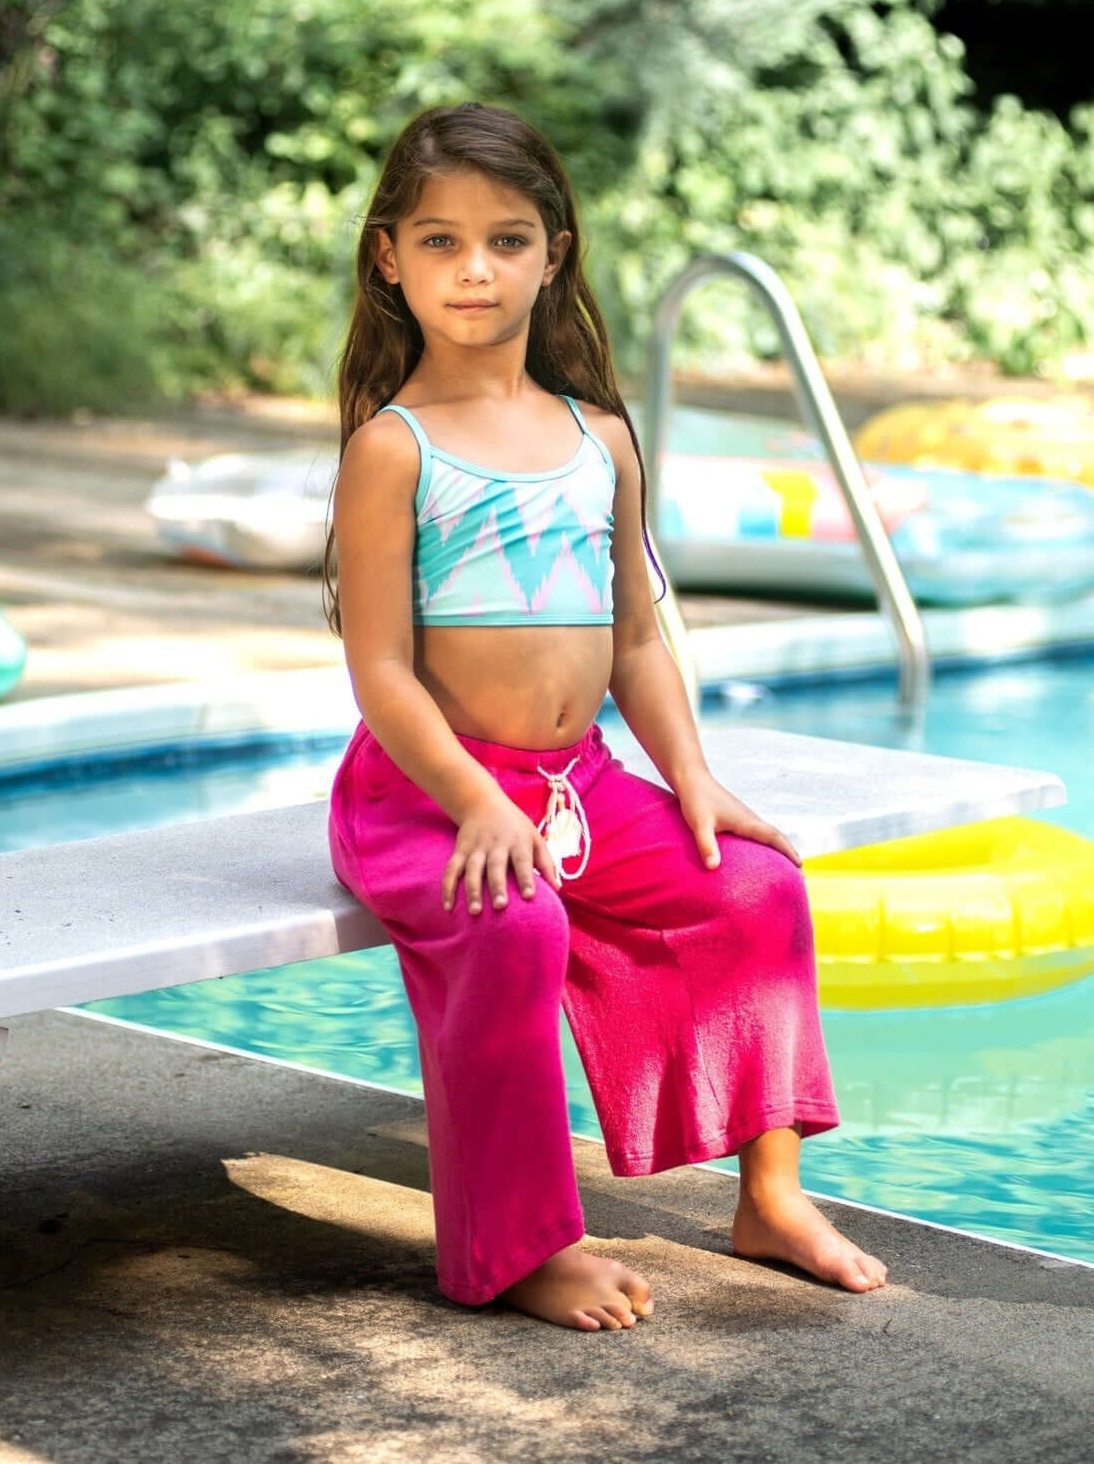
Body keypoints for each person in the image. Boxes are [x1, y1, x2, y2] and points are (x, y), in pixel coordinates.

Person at [325, 102, 887, 1332]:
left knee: (755, 890)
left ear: (555, 254)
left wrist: (693, 778)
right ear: (390, 259)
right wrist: (477, 801)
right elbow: (382, 674)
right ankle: (523, 1246)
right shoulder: (395, 450)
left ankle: (771, 1198)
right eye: (440, 241)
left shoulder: (600, 438)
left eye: (507, 240)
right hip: (426, 795)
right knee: (512, 924)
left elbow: (636, 636)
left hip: (576, 784)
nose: (475, 270)